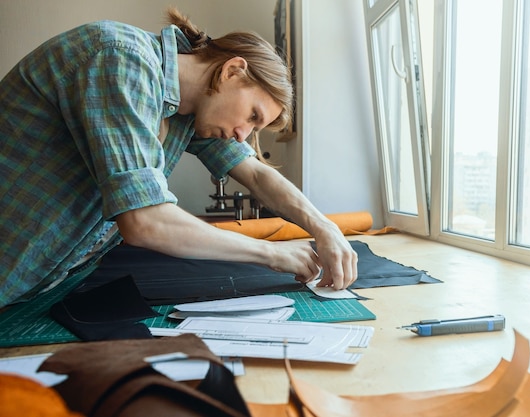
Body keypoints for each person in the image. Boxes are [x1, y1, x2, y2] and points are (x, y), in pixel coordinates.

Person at [0, 7, 358, 308]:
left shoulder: (187, 113)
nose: (243, 135)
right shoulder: (121, 59)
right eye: (252, 116)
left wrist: (323, 227)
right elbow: (145, 222)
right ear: (232, 70)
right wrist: (274, 255)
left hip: (27, 289)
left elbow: (257, 174)